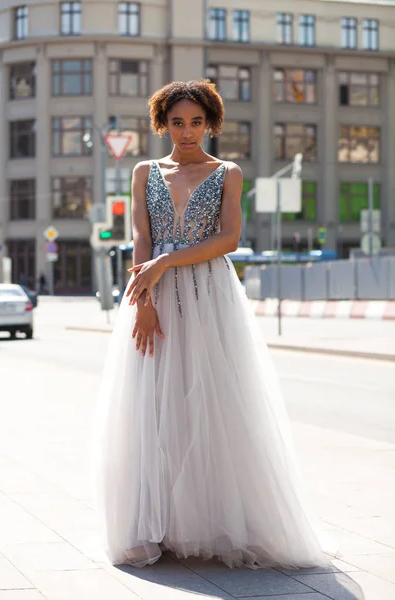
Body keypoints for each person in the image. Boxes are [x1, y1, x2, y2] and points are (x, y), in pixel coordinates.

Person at [92, 79, 331, 570]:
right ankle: (158, 526)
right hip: (155, 295)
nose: (186, 131)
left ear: (211, 123)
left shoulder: (228, 172)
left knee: (212, 404)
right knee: (154, 404)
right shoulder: (144, 171)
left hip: (209, 297)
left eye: (196, 122)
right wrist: (143, 299)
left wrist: (165, 263)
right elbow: (141, 237)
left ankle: (210, 524)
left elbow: (228, 239)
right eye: (177, 122)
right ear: (162, 123)